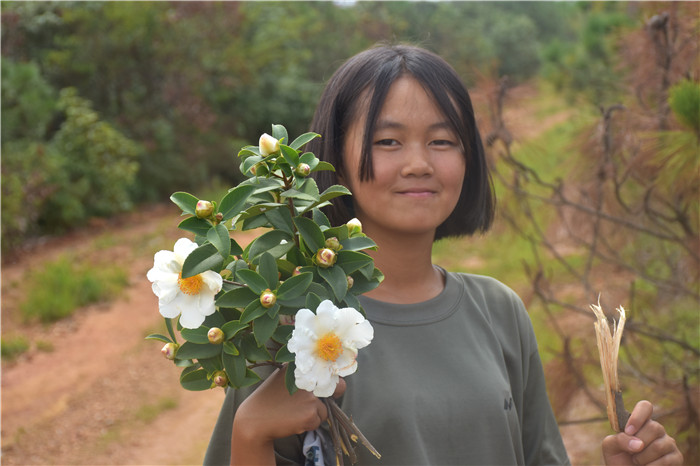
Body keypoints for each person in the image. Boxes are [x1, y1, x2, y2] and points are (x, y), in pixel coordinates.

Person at [204, 44, 684, 466]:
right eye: (387, 142)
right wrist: (249, 434)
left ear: (467, 158)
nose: (419, 164)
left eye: (442, 141)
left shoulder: (500, 311)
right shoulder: (290, 324)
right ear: (336, 160)